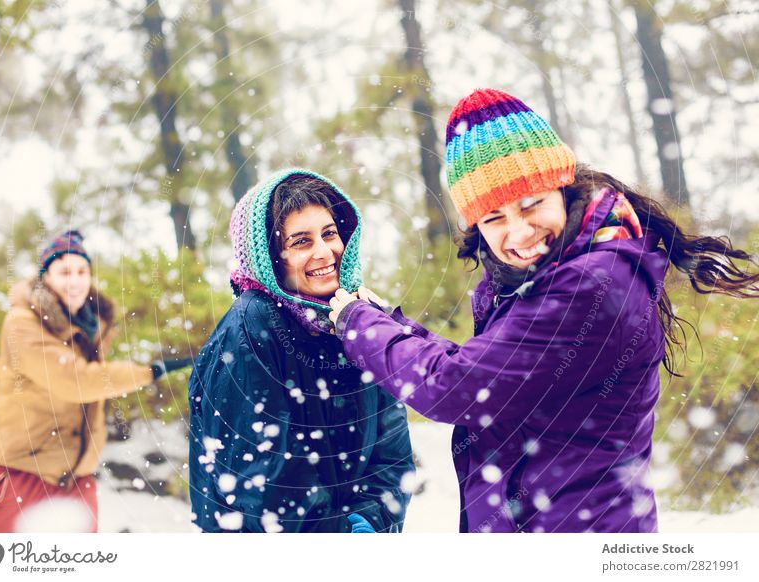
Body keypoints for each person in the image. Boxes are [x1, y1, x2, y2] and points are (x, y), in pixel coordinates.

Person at [329, 88, 759, 533]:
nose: (519, 231)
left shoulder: (587, 286)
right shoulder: (559, 272)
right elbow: (486, 365)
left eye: (530, 204)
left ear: (564, 189)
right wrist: (392, 323)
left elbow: (454, 387)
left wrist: (358, 325)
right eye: (493, 217)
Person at [188, 169, 414, 533]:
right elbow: (262, 481)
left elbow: (392, 451)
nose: (325, 252)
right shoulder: (250, 329)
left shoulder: (360, 320)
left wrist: (372, 519)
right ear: (271, 258)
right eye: (301, 241)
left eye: (329, 234)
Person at [0, 230, 192, 532]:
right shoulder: (22, 323)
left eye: (82, 271)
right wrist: (151, 371)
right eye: (64, 271)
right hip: (22, 477)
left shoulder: (86, 325)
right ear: (45, 277)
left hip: (77, 479)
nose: (75, 280)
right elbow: (77, 380)